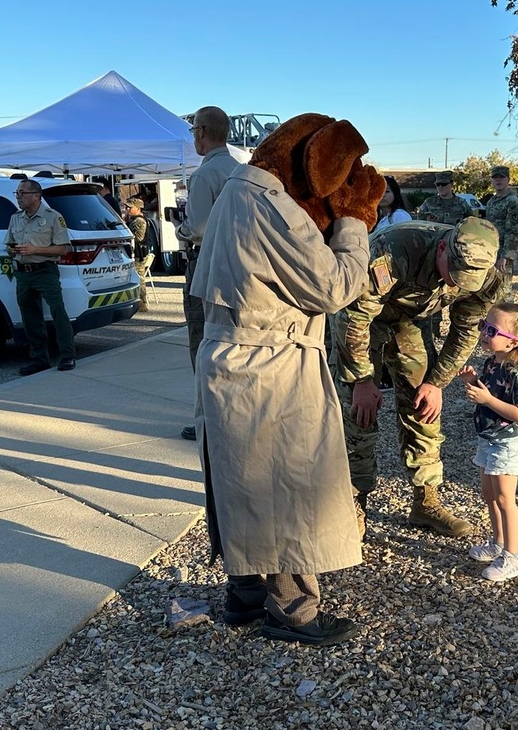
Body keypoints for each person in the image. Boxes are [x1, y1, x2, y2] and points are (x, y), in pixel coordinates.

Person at [191, 123, 376, 647]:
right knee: (287, 485)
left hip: (235, 355)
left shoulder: (235, 189)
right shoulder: (270, 204)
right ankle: (293, 610)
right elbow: (334, 286)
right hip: (269, 360)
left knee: (239, 479)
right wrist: (354, 223)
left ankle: (246, 595)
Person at [333, 217, 502, 539]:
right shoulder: (393, 250)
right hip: (361, 324)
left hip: (410, 323)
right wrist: (362, 381)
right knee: (358, 415)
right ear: (442, 247)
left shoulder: (486, 277)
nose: (456, 285)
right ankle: (353, 505)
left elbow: (465, 331)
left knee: (423, 409)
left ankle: (426, 503)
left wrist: (436, 382)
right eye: (453, 274)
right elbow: (352, 317)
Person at [458, 302, 518, 581]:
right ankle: (497, 542)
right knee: (489, 494)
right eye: (483, 325)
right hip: (487, 438)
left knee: (506, 500)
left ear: (513, 343)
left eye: (491, 330)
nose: (483, 333)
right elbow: (488, 393)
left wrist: (487, 400)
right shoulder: (492, 362)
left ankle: (512, 556)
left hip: (506, 444)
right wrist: (473, 382)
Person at [175, 106, 241, 441]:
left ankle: (207, 418)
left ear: (201, 132)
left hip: (204, 264)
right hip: (236, 266)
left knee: (202, 343)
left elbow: (198, 226)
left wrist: (180, 231)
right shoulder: (241, 169)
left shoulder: (204, 175)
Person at [4, 179, 77, 375]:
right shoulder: (16, 218)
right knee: (30, 317)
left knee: (58, 311)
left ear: (36, 196)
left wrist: (36, 249)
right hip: (23, 272)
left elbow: (63, 248)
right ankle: (39, 359)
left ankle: (67, 356)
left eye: (22, 193)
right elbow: (9, 243)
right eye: (17, 193)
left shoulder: (53, 217)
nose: (18, 197)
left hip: (45, 271)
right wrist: (12, 250)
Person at [416, 173, 471, 354]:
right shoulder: (428, 204)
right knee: (433, 290)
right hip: (433, 253)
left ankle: (457, 330)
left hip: (455, 254)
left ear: (452, 185)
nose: (440, 187)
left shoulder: (462, 205)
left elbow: (469, 226)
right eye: (438, 184)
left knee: (456, 289)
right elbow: (420, 226)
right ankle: (433, 328)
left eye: (444, 184)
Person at [484, 165, 518, 300]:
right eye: (495, 178)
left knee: (504, 290)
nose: (498, 181)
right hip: (491, 251)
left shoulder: (512, 202)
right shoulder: (491, 201)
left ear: (508, 180)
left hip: (504, 252)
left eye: (502, 177)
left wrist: (505, 256)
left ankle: (509, 319)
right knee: (491, 289)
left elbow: (513, 231)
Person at [125, 197, 152, 312]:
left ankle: (142, 302)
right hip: (134, 253)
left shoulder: (139, 221)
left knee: (139, 278)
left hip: (138, 255)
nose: (127, 209)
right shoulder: (134, 220)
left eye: (130, 207)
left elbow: (139, 238)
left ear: (137, 208)